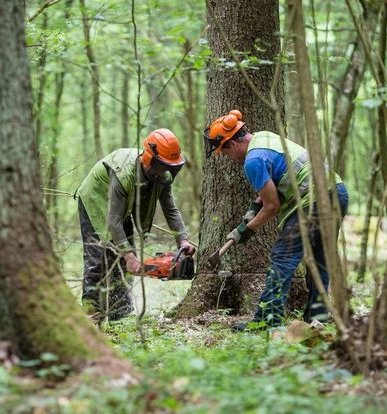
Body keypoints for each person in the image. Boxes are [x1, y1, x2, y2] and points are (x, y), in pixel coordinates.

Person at [203, 110, 349, 331]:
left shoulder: (252, 162)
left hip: (314, 201)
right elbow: (275, 181)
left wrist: (244, 230)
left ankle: (268, 320)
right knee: (320, 258)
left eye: (224, 153)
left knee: (283, 256)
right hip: (336, 192)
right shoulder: (265, 137)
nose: (228, 158)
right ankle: (317, 318)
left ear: (232, 144)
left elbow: (272, 207)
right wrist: (254, 207)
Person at [76, 129, 196, 322]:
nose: (163, 171)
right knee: (98, 259)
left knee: (123, 259)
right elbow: (112, 221)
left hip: (121, 208)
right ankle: (92, 314)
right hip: (95, 200)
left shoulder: (162, 177)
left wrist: (182, 240)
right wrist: (129, 256)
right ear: (150, 158)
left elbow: (171, 210)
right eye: (161, 165)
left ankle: (120, 313)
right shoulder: (123, 173)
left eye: (168, 166)